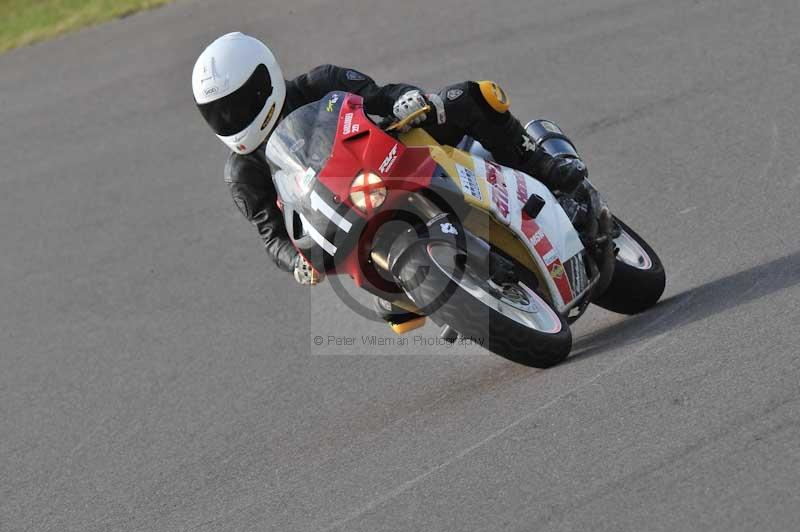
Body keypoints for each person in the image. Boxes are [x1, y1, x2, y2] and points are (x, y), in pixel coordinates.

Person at [192, 32, 588, 285]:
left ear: (266, 78)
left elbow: (381, 95)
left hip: (394, 156)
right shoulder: (242, 171)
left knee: (471, 96)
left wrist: (404, 98)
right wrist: (294, 262)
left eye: (239, 104)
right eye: (219, 112)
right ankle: (433, 284)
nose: (231, 119)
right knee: (382, 296)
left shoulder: (320, 82)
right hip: (349, 217)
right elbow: (271, 235)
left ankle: (543, 167)